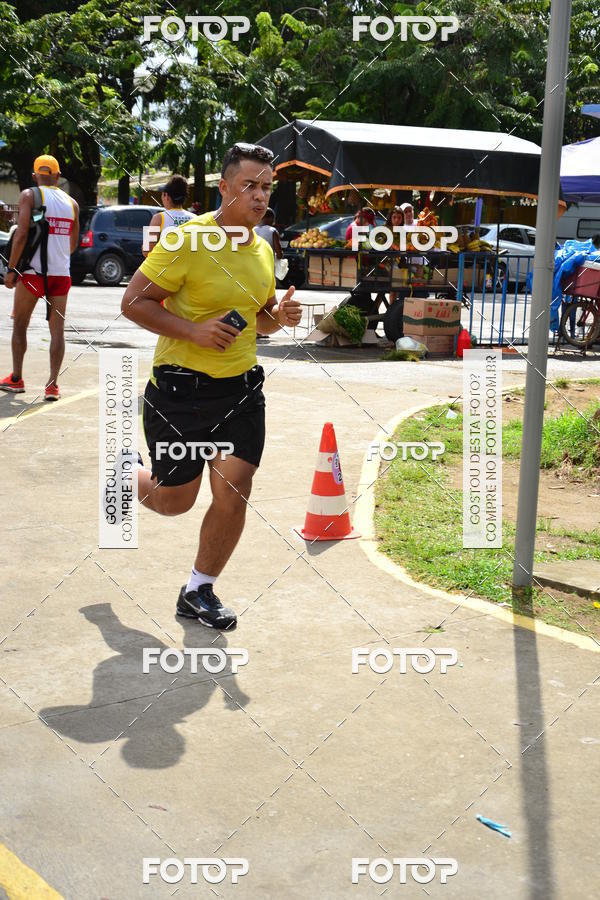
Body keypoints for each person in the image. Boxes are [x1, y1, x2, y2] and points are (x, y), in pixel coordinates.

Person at [120, 142, 302, 630]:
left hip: (240, 392)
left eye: (266, 187)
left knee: (234, 488)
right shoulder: (187, 241)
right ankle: (126, 473)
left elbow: (257, 322)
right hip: (180, 393)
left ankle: (198, 589)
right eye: (250, 186)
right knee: (174, 500)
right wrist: (195, 331)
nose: (260, 196)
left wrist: (278, 317)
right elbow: (133, 302)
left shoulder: (263, 249)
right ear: (223, 188)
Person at [1, 155, 79, 400]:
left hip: (33, 274)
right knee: (57, 331)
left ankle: (16, 378)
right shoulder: (72, 203)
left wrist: (12, 269)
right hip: (61, 275)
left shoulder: (29, 195)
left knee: (20, 324)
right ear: (57, 176)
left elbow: (22, 234)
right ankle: (52, 385)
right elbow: (72, 245)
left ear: (35, 175)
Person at [143, 175, 194, 257]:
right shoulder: (195, 218)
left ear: (166, 196)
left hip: (166, 268)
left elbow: (147, 251)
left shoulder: (158, 218)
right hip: (188, 268)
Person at [385, 206, 404, 305]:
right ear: (390, 218)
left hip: (399, 261)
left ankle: (391, 308)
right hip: (385, 262)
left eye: (399, 218)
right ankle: (391, 309)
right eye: (394, 217)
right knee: (394, 288)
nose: (396, 220)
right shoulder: (384, 230)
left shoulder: (403, 231)